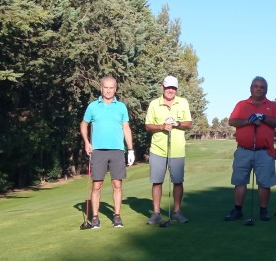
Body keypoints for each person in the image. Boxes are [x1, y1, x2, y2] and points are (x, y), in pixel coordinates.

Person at [224, 76, 276, 222]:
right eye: (256, 86)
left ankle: (263, 211)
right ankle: (237, 210)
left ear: (266, 90)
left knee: (264, 183)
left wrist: (264, 118)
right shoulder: (242, 104)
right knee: (240, 181)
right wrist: (247, 121)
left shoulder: (273, 105)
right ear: (251, 88)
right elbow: (232, 121)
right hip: (244, 150)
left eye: (262, 87)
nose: (258, 89)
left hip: (264, 151)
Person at [80, 76, 135, 229]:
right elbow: (84, 124)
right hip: (98, 151)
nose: (109, 90)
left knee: (117, 184)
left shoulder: (121, 107)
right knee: (97, 184)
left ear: (115, 89)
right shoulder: (93, 106)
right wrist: (86, 142)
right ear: (101, 88)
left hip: (117, 150)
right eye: (106, 87)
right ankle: (95, 217)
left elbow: (126, 128)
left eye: (111, 88)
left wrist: (130, 149)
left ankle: (117, 216)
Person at [145, 75, 192, 224]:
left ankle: (177, 212)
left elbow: (189, 123)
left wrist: (177, 123)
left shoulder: (183, 102)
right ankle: (156, 213)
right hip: (158, 149)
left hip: (177, 150)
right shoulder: (154, 104)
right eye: (168, 87)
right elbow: (148, 126)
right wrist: (161, 126)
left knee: (178, 181)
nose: (170, 90)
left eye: (173, 88)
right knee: (157, 181)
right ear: (163, 87)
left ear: (176, 89)